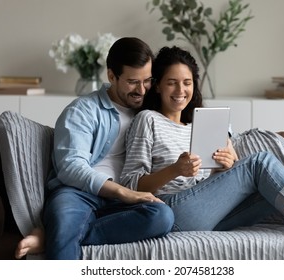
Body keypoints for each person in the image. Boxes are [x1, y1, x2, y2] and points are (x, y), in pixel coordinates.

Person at [120, 45, 284, 240]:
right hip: (173, 210)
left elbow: (207, 187)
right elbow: (130, 185)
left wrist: (228, 167)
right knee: (260, 162)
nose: (181, 90)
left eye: (187, 82)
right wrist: (175, 170)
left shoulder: (198, 125)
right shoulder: (147, 119)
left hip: (207, 213)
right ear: (158, 85)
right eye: (172, 82)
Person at [15, 37, 174, 260]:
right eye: (132, 82)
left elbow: (185, 115)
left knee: (162, 216)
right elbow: (70, 167)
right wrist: (123, 192)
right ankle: (61, 233)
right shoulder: (83, 110)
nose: (141, 90)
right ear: (111, 76)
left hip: (121, 202)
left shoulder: (150, 111)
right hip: (78, 193)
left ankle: (52, 236)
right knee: (66, 218)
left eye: (147, 81)